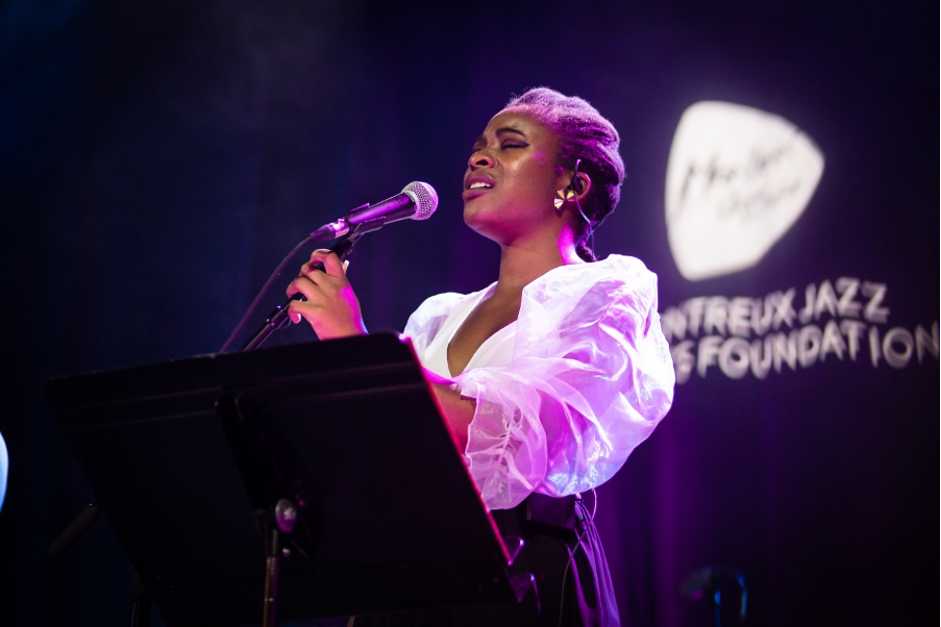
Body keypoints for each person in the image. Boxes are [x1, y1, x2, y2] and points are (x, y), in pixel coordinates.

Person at [285, 87, 675, 626]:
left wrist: (356, 347)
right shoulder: (439, 317)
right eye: (477, 146)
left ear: (572, 183)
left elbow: (514, 437)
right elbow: (397, 445)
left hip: (524, 575)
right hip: (411, 574)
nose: (479, 157)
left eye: (510, 145)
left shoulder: (604, 296)